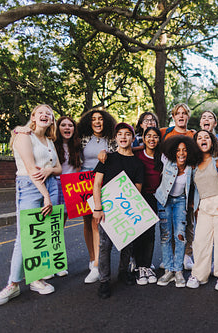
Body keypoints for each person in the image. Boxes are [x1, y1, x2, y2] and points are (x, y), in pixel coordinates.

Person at [0, 104, 62, 306]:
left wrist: (49, 172)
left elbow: (58, 168)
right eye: (42, 113)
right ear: (34, 116)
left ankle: (35, 278)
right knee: (25, 236)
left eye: (50, 114)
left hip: (51, 184)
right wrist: (46, 195)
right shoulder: (23, 135)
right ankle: (12, 284)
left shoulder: (49, 141)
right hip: (30, 187)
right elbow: (30, 169)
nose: (46, 116)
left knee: (43, 234)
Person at [91, 122, 144, 299]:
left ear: (133, 138)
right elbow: (97, 184)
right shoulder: (107, 159)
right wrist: (98, 208)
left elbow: (137, 191)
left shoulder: (137, 164)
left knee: (127, 245)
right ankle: (104, 280)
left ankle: (123, 272)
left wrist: (128, 210)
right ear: (115, 138)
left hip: (126, 210)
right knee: (105, 246)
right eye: (120, 134)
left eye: (127, 134)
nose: (123, 137)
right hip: (106, 210)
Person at [186, 130, 218, 292]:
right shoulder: (192, 166)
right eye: (199, 138)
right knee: (200, 241)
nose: (203, 139)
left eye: (206, 137)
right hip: (204, 206)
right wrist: (194, 205)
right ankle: (199, 274)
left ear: (212, 141)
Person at [77, 107, 117, 284]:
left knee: (97, 222)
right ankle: (92, 257)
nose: (97, 122)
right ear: (89, 122)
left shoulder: (111, 139)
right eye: (94, 119)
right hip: (82, 182)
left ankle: (97, 265)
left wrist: (107, 154)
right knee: (86, 222)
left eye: (100, 118)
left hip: (102, 182)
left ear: (105, 121)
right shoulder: (83, 138)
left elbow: (118, 156)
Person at [155, 136, 200, 287]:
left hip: (181, 201)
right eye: (178, 150)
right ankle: (168, 270)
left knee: (180, 236)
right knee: (165, 236)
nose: (181, 153)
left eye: (185, 150)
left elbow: (194, 187)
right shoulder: (167, 162)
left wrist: (195, 203)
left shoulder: (191, 168)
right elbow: (158, 145)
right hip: (164, 201)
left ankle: (178, 271)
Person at [43, 116, 82, 280]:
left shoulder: (78, 146)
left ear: (74, 129)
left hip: (72, 187)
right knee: (51, 225)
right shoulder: (50, 144)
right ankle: (47, 265)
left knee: (60, 227)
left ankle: (58, 263)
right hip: (55, 186)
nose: (67, 128)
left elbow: (79, 168)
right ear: (57, 128)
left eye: (70, 125)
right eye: (63, 125)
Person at [159, 103, 196, 270]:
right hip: (168, 184)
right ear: (173, 117)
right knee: (169, 225)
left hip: (187, 184)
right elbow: (149, 145)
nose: (181, 116)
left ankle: (187, 255)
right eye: (177, 114)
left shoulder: (193, 134)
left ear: (188, 116)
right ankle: (172, 256)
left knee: (186, 222)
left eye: (184, 113)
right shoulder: (165, 133)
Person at [133, 127, 162, 285]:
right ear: (143, 138)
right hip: (138, 196)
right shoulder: (137, 154)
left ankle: (147, 265)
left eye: (155, 137)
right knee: (139, 233)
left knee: (150, 233)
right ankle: (139, 267)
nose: (152, 139)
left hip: (154, 197)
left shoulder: (162, 156)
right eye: (148, 136)